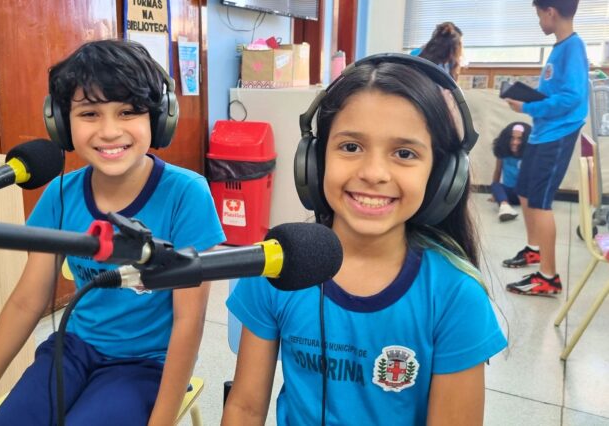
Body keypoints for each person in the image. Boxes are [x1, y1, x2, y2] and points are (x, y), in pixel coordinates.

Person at [0, 39, 225, 425]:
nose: (109, 131)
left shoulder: (186, 194)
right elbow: (26, 302)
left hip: (144, 365)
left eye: (128, 112)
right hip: (72, 350)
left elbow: (188, 322)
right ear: (61, 122)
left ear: (159, 118)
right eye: (89, 113)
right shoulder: (60, 195)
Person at [222, 55, 506, 425]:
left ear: (441, 177)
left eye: (404, 153)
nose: (373, 173)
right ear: (315, 160)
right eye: (351, 147)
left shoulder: (455, 295)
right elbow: (244, 408)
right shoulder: (278, 266)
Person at [502, 0, 588, 295]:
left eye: (539, 15)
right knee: (525, 191)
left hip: (557, 134)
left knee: (540, 201)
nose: (539, 21)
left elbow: (572, 97)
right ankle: (534, 250)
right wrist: (530, 99)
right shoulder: (560, 47)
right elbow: (555, 92)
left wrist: (527, 106)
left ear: (551, 12)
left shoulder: (573, 47)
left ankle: (548, 277)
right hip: (542, 133)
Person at [490, 122, 531, 222]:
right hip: (509, 194)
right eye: (512, 138)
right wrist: (495, 195)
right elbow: (498, 171)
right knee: (495, 185)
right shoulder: (503, 154)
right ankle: (505, 207)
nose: (515, 142)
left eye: (519, 139)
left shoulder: (529, 156)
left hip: (525, 194)